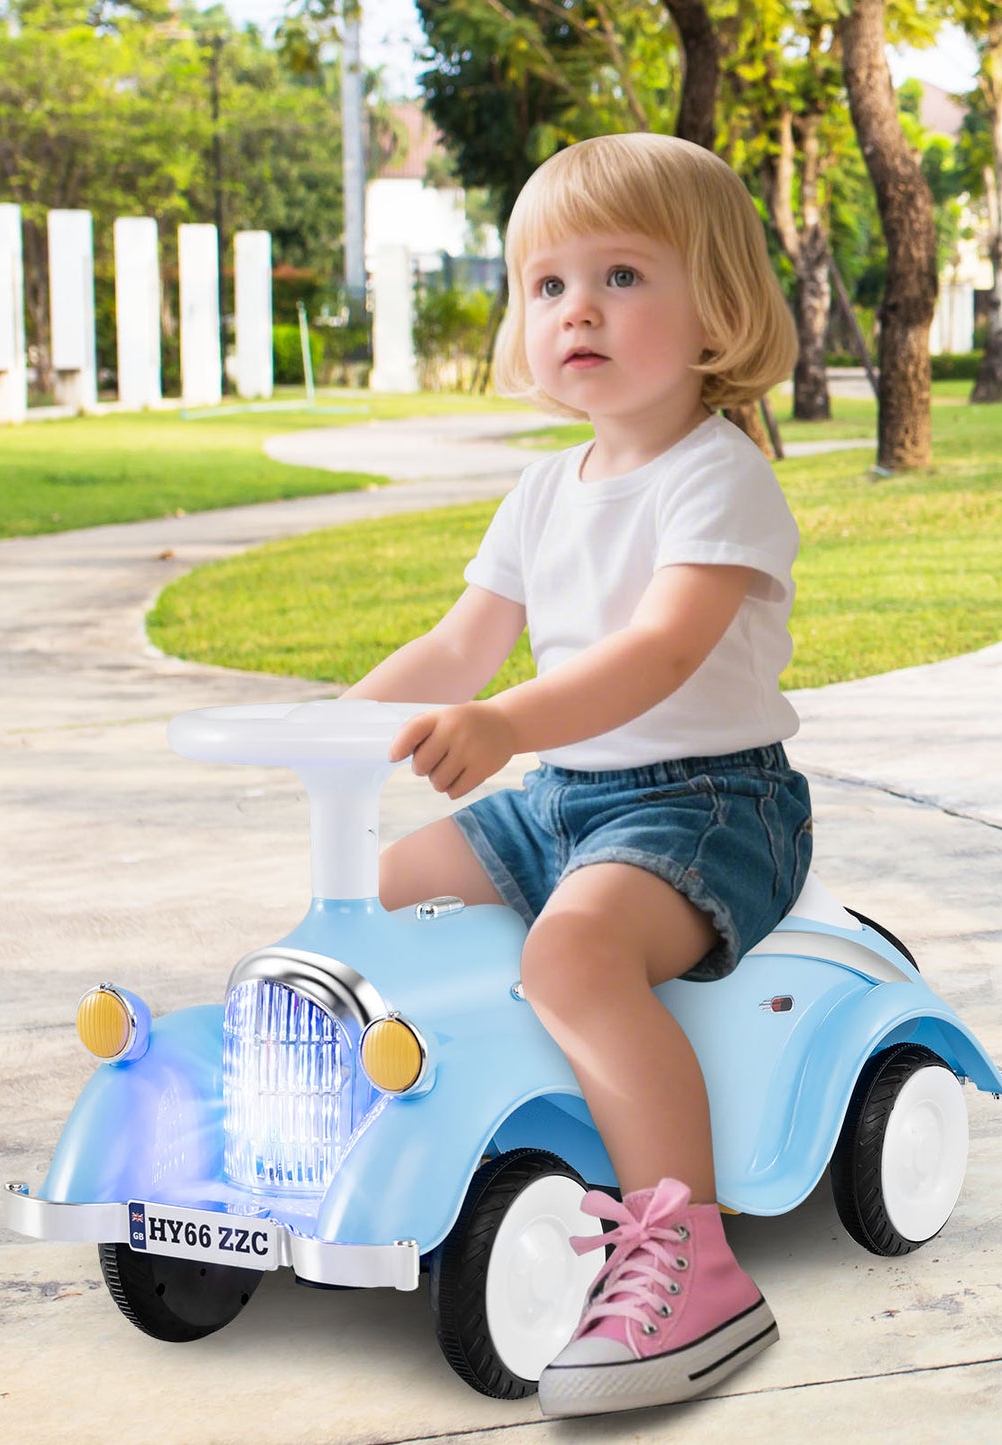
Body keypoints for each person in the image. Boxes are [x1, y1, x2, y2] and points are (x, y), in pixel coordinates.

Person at [344, 131, 811, 1416]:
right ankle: (362, 1148)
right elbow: (458, 644)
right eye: (547, 286)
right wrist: (337, 726)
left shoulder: (719, 479)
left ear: (715, 304)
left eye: (620, 275)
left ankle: (688, 1251)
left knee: (569, 956)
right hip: (567, 803)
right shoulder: (542, 490)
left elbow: (658, 652)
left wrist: (499, 723)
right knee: (368, 901)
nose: (576, 310)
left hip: (711, 801)